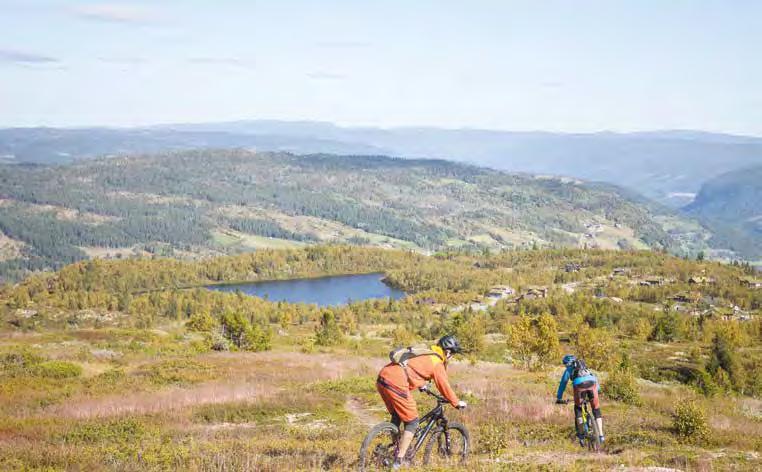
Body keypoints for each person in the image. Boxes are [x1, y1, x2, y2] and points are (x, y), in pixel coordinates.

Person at [376, 334, 467, 469]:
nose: (451, 357)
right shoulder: (437, 363)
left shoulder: (426, 353)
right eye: (452, 354)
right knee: (412, 422)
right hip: (396, 382)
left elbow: (412, 368)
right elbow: (444, 386)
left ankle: (394, 449)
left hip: (383, 378)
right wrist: (456, 402)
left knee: (397, 415)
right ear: (447, 352)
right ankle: (398, 461)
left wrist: (421, 384)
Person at [555, 354, 604, 444]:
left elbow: (563, 383)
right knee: (596, 409)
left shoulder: (569, 369)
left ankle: (581, 435)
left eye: (565, 364)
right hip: (592, 383)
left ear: (567, 363)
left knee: (578, 409)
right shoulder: (584, 367)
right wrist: (598, 390)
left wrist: (559, 398)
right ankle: (601, 435)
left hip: (579, 385)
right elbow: (594, 378)